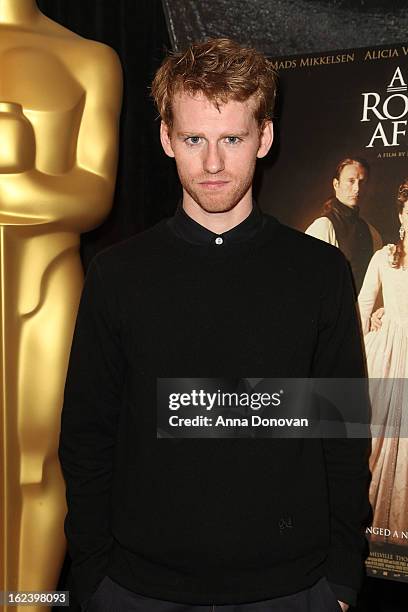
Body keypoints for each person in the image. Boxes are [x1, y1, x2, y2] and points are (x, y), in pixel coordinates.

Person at [59, 38, 370, 612]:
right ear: (165, 138)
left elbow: (343, 433)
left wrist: (344, 580)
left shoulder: (319, 272)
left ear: (265, 137)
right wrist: (93, 576)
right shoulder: (117, 274)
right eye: (193, 139)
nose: (212, 163)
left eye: (232, 138)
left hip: (294, 590)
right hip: (135, 590)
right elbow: (86, 436)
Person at [358, 178, 408, 544]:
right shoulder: (384, 256)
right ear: (402, 215)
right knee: (372, 442)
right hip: (387, 355)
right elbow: (363, 303)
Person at [305, 158, 382, 293]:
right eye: (351, 181)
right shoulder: (323, 227)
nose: (357, 188)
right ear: (336, 184)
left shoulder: (371, 232)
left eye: (362, 182)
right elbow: (308, 282)